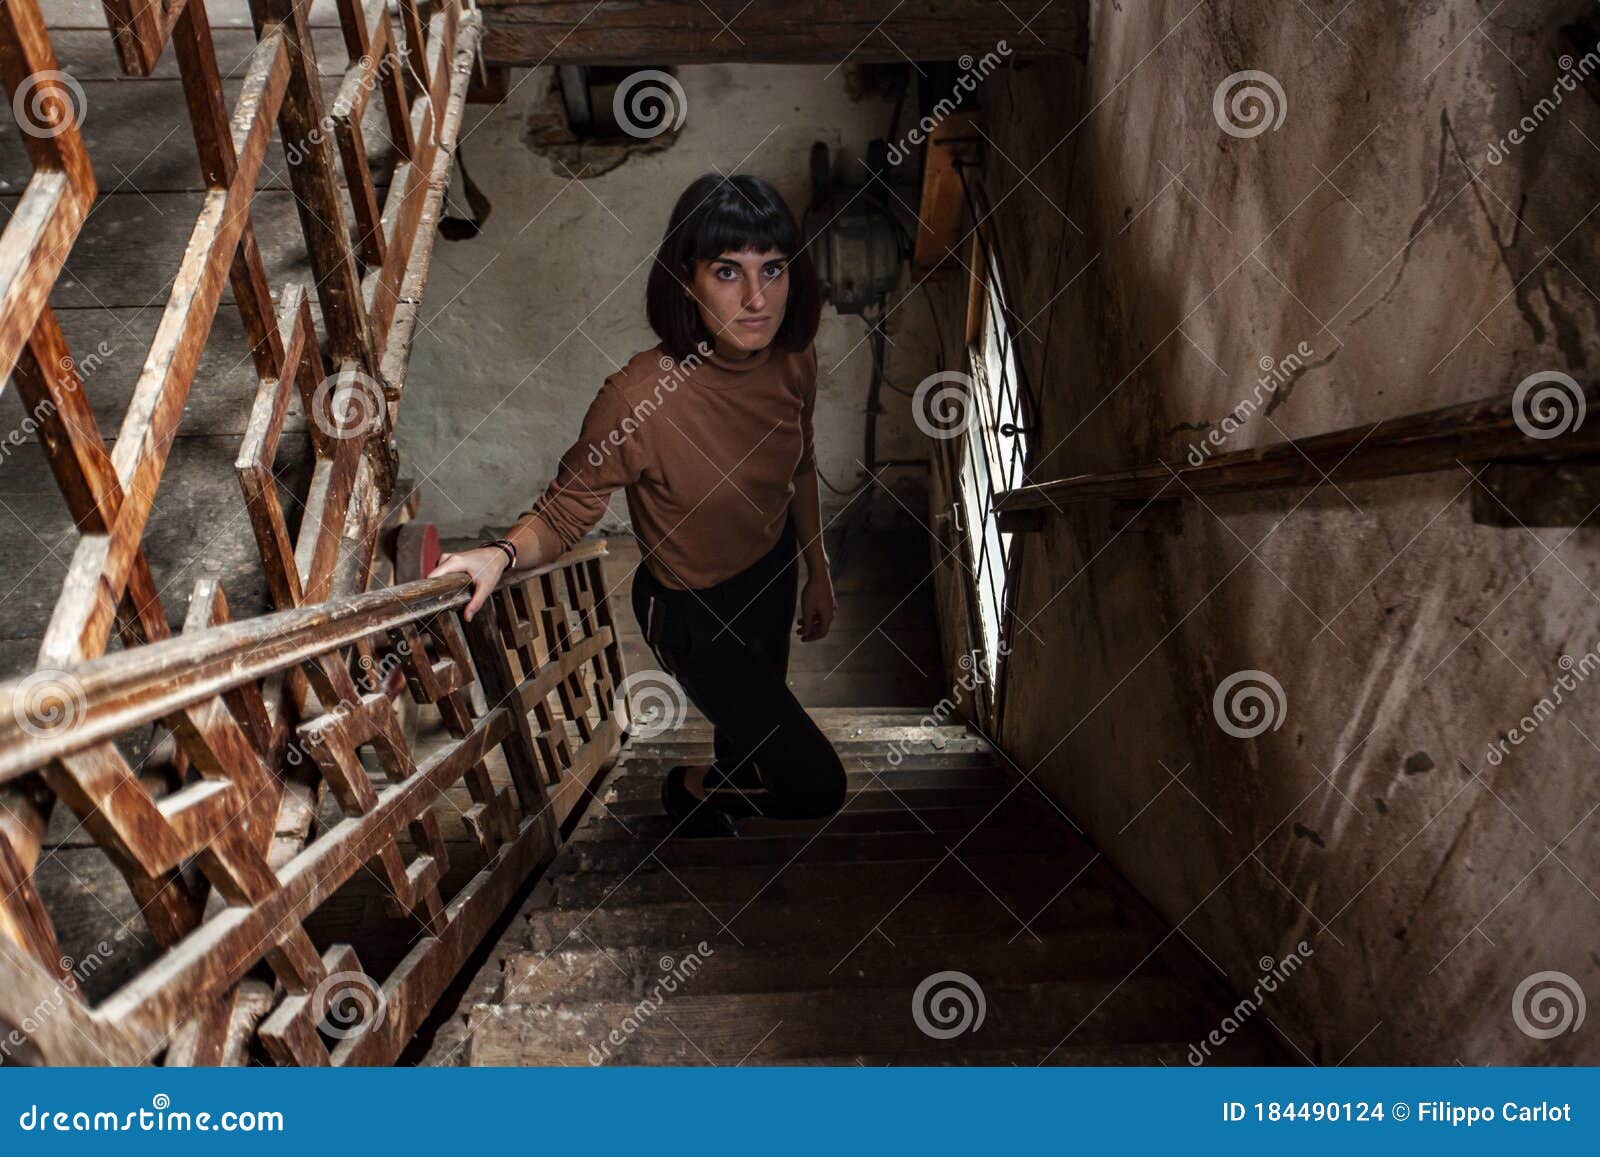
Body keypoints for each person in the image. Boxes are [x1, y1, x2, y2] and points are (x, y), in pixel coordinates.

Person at [427, 173, 848, 837]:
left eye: (773, 268)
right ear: (686, 280)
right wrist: (499, 555)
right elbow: (563, 513)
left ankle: (723, 787)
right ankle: (688, 788)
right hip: (691, 612)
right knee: (815, 784)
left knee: (748, 732)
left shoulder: (794, 358)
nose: (758, 298)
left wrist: (817, 566)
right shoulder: (637, 400)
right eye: (727, 272)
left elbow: (799, 463)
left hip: (773, 572)